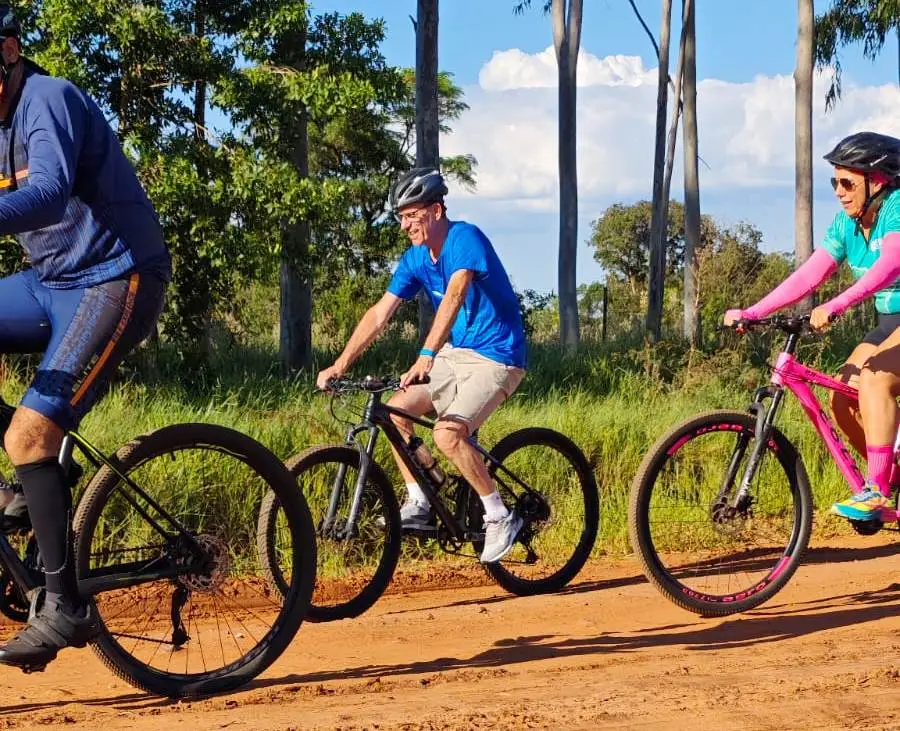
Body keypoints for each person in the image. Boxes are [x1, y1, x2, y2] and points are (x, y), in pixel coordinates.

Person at [0, 5, 171, 669]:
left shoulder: (49, 99)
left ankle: (65, 603)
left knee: (28, 434)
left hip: (115, 277)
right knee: (28, 441)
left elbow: (45, 193)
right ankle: (28, 487)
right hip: (49, 280)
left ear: (9, 51)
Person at [317, 168, 526, 563]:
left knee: (448, 435)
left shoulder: (465, 238)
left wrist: (426, 354)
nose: (405, 225)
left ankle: (500, 516)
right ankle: (420, 496)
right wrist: (341, 364)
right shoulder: (415, 258)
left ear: (436, 210)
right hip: (456, 353)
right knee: (395, 411)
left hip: (497, 356)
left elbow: (455, 293)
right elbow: (381, 313)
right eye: (401, 217)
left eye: (412, 215)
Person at [724, 131, 900, 523]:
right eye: (834, 181)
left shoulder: (897, 208)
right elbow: (809, 275)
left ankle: (876, 490)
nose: (838, 190)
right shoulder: (847, 224)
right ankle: (893, 477)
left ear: (879, 181)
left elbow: (891, 266)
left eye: (847, 182)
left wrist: (838, 304)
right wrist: (753, 311)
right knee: (844, 394)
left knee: (874, 380)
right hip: (891, 321)